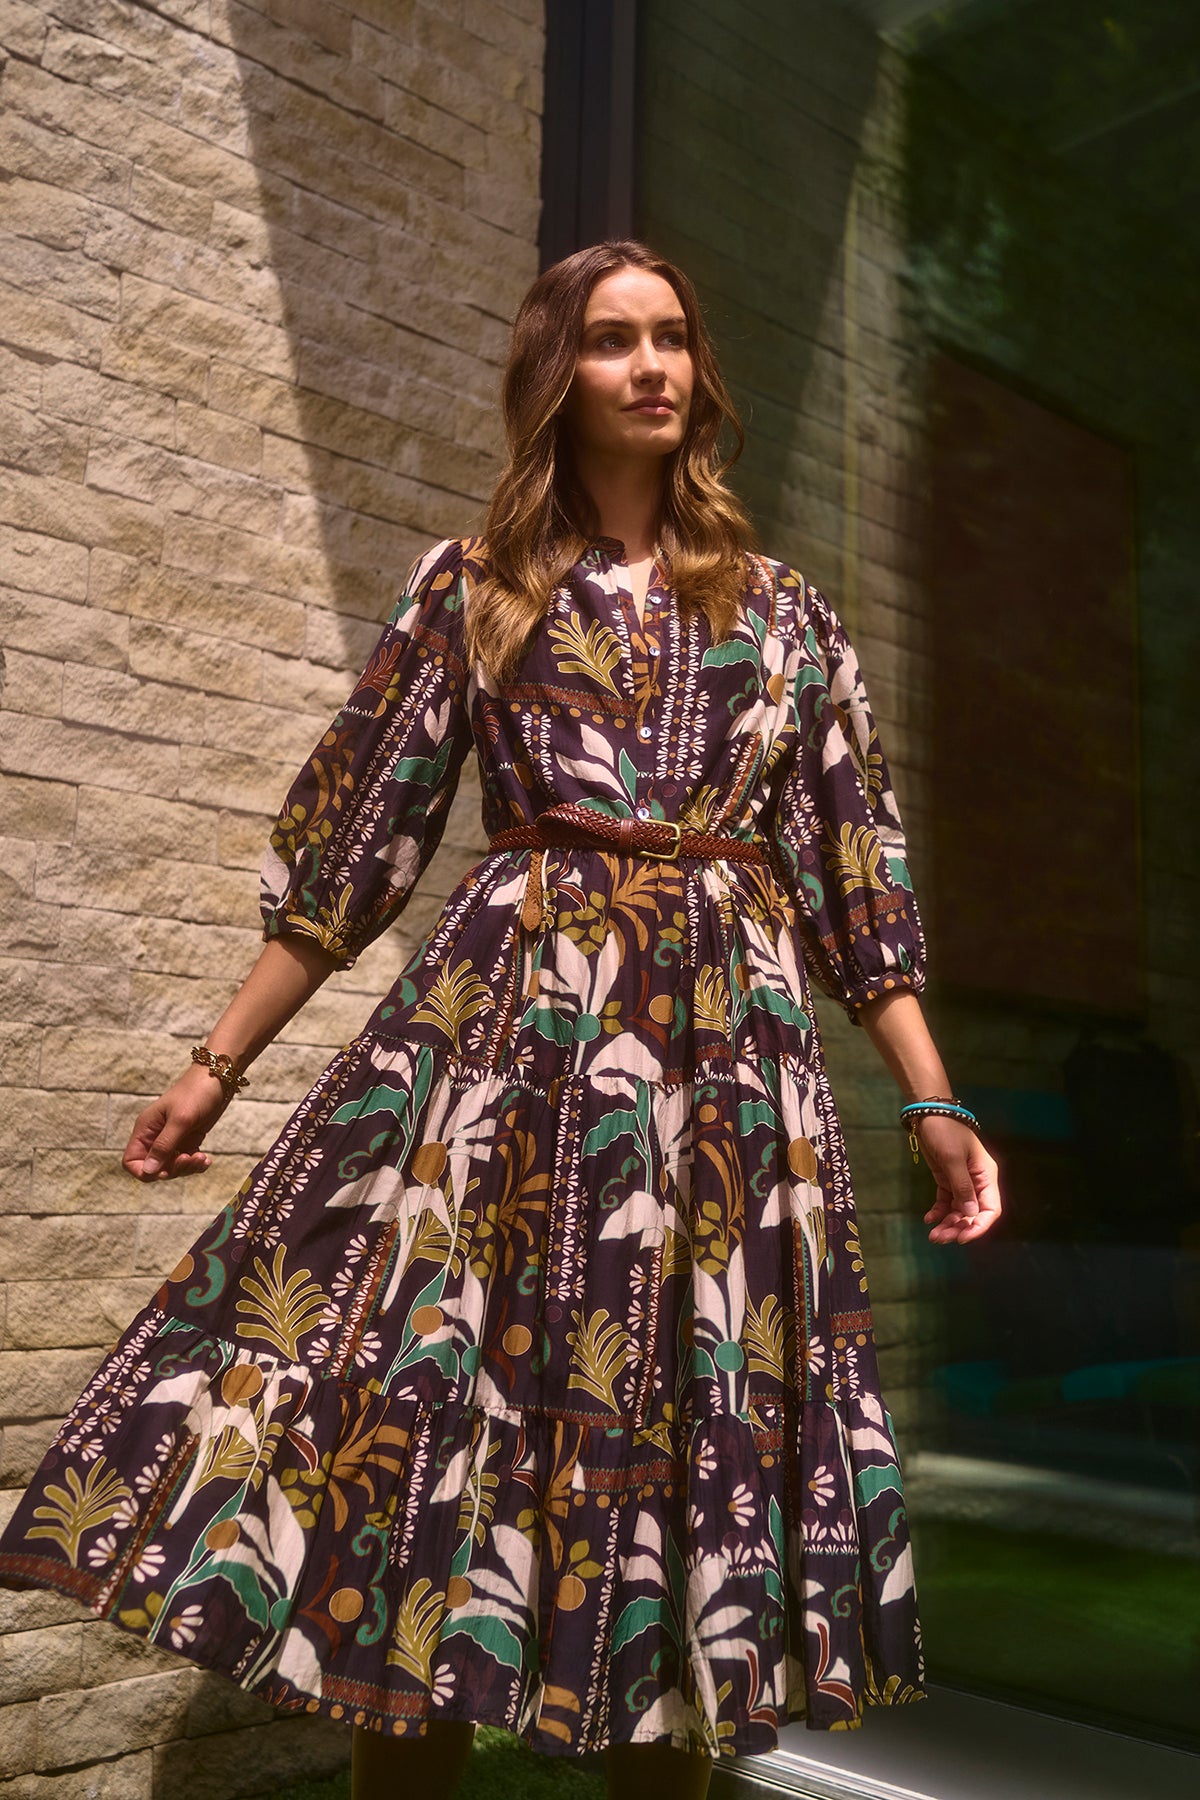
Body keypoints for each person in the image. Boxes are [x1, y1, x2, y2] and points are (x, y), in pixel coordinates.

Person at [0, 241, 1002, 1800]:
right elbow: (357, 847)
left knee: (681, 1444)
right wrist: (215, 1065)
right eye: (615, 341)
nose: (656, 366)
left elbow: (853, 875)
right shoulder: (476, 589)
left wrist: (934, 1101)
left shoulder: (787, 616)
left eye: (675, 336)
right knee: (434, 1445)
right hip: (508, 1058)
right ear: (559, 374)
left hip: (723, 1078)